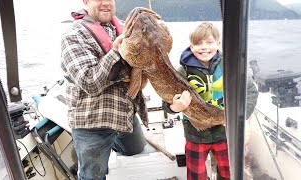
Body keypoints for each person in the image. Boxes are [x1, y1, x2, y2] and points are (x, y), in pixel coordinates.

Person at [60, 0, 148, 179]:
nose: (106, 3)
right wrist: (116, 51)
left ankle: (101, 148)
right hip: (92, 121)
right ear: (86, 1)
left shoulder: (126, 28)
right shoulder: (73, 35)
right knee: (92, 175)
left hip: (124, 114)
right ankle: (85, 153)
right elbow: (89, 82)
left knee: (136, 148)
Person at [163, 22, 259, 180]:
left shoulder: (230, 66)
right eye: (198, 43)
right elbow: (166, 102)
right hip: (195, 135)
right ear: (191, 46)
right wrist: (174, 107)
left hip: (225, 133)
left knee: (231, 173)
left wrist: (240, 117)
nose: (204, 47)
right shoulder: (182, 72)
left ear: (218, 43)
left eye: (209, 42)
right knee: (196, 175)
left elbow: (250, 91)